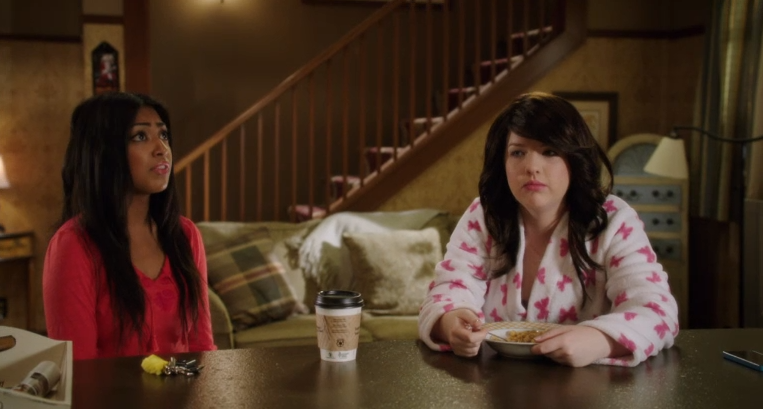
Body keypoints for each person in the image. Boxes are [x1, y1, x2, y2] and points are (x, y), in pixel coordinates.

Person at [418, 92, 678, 367]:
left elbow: (657, 311)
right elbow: (450, 289)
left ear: (574, 160)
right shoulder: (484, 216)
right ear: (502, 162)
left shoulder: (614, 220)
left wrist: (600, 340)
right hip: (492, 383)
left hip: (591, 385)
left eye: (550, 152)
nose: (532, 167)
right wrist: (451, 323)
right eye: (518, 152)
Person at [43, 92, 216, 360]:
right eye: (140, 137)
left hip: (186, 388)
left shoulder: (184, 234)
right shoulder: (74, 245)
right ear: (104, 152)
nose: (162, 149)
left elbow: (202, 347)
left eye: (163, 135)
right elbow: (80, 369)